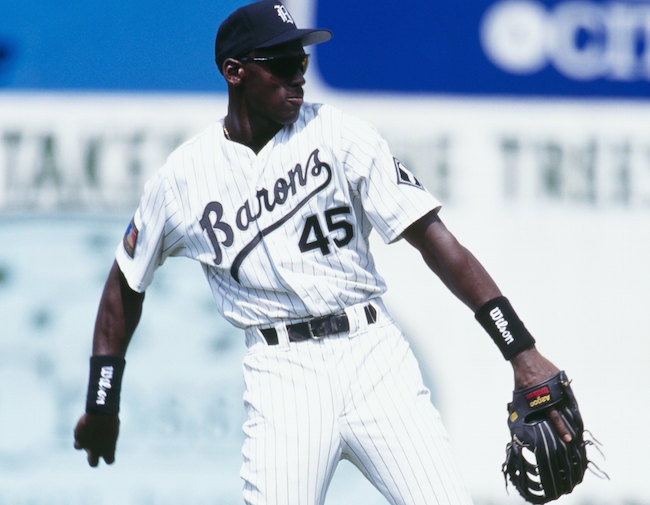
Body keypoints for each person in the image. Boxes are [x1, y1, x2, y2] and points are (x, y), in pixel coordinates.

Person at [73, 1, 572, 504]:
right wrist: (102, 400)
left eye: (302, 62)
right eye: (283, 64)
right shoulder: (181, 179)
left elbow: (438, 243)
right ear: (234, 72)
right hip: (281, 372)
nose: (299, 76)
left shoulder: (339, 134)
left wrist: (521, 350)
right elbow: (124, 283)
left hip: (372, 356)